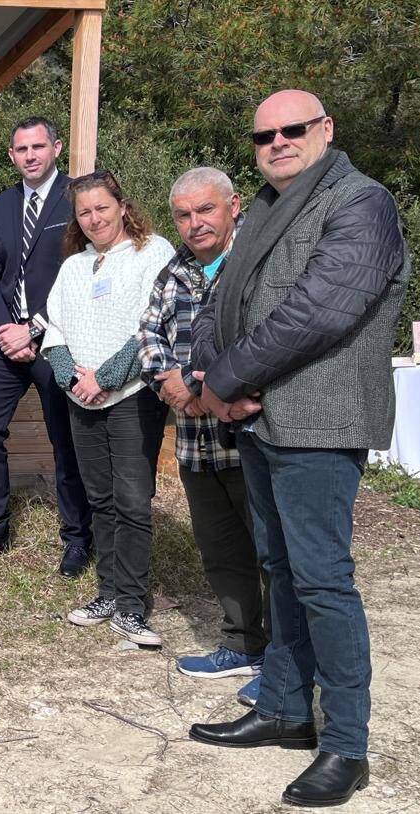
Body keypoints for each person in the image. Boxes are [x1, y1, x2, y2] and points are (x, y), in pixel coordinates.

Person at [188, 90, 408, 808]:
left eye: (293, 129)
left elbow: (321, 309)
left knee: (322, 581)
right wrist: (215, 379)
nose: (278, 142)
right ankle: (285, 708)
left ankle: (346, 745)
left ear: (326, 129)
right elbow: (225, 300)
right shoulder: (266, 204)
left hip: (319, 420)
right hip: (259, 419)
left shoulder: (360, 202)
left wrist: (228, 378)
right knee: (279, 567)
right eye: (264, 135)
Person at [138, 167, 267, 706]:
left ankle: (284, 660)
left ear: (233, 205)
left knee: (271, 553)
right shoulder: (175, 272)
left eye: (205, 210)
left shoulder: (256, 262)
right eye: (184, 215)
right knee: (221, 549)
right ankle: (241, 643)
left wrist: (207, 385)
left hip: (253, 436)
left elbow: (266, 336)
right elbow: (148, 334)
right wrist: (174, 387)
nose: (195, 224)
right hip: (194, 439)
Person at [38, 172, 174, 646]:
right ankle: (109, 592)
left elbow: (153, 326)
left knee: (132, 501)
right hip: (81, 397)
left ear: (122, 205)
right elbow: (53, 326)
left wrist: (107, 377)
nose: (94, 218)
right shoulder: (74, 266)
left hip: (131, 397)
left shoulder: (152, 252)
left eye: (102, 208)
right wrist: (71, 376)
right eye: (84, 212)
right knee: (100, 498)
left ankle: (132, 607)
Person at [0, 117, 93, 575]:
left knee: (64, 438)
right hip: (3, 339)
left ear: (56, 148)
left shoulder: (77, 198)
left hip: (56, 338)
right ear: (11, 156)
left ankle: (77, 538)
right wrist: (2, 330)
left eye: (38, 146)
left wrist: (32, 328)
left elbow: (81, 276)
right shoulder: (2, 206)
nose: (30, 155)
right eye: (21, 149)